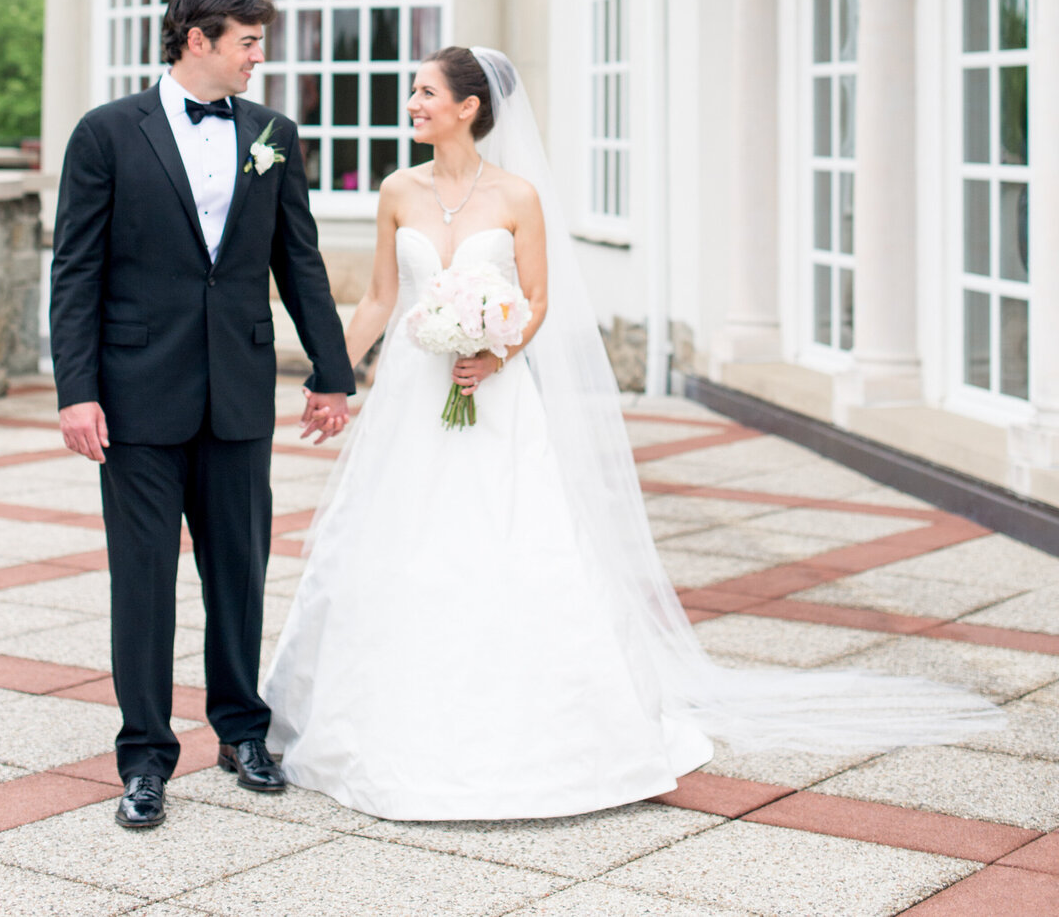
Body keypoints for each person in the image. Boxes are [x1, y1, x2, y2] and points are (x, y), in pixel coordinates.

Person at [262, 45, 1000, 822]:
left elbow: (537, 299)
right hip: (413, 397)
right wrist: (331, 376)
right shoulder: (396, 191)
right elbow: (381, 298)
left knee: (510, 541)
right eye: (413, 92)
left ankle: (543, 731)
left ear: (468, 106)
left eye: (423, 92)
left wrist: (492, 350)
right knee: (395, 545)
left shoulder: (517, 195)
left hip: (492, 395)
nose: (411, 103)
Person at [50, 0, 355, 830]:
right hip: (136, 397)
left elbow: (300, 263)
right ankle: (145, 758)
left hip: (238, 396)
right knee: (142, 583)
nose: (261, 55)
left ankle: (242, 731)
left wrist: (332, 373)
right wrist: (76, 391)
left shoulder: (270, 134)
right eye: (249, 41)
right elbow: (75, 270)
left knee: (239, 573)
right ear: (196, 38)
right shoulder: (107, 132)